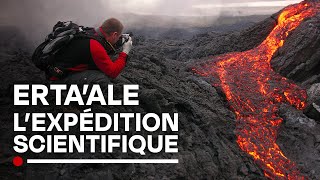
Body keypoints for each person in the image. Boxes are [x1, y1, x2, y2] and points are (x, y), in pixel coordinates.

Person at [51, 18, 133, 87]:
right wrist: (125, 51)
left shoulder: (91, 32)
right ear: (114, 34)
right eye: (118, 36)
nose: (118, 39)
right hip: (58, 77)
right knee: (102, 79)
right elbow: (113, 72)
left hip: (55, 67)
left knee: (105, 63)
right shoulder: (95, 45)